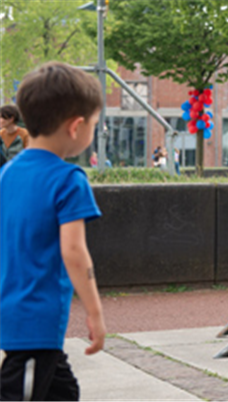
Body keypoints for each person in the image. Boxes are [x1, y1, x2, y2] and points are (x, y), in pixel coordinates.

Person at [0, 61, 106, 401]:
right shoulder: (69, 180)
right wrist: (94, 312)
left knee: (63, 392)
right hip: (35, 322)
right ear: (76, 126)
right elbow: (74, 251)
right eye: (94, 125)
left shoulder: (7, 174)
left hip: (17, 314)